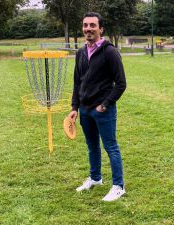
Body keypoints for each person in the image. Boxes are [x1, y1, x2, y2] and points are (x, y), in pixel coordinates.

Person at [68, 12, 127, 202]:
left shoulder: (110, 52)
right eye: (85, 25)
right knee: (92, 146)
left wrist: (105, 105)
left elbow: (120, 83)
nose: (88, 29)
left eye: (93, 25)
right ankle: (95, 178)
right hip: (84, 110)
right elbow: (77, 82)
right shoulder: (80, 53)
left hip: (103, 110)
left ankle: (118, 186)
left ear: (101, 29)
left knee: (110, 147)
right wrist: (74, 107)